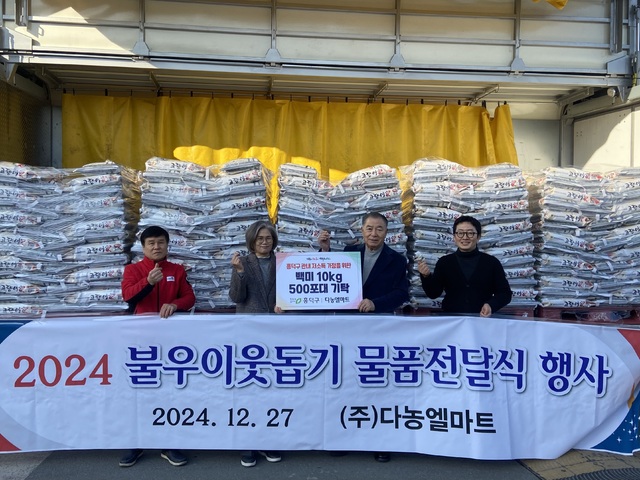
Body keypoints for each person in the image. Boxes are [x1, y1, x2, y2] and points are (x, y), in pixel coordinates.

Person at [318, 212, 409, 463]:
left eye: (379, 229)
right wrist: (325, 251)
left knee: (378, 385)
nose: (374, 234)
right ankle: (343, 437)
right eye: (369, 228)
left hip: (378, 329)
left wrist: (376, 303)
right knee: (346, 384)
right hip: (348, 329)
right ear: (362, 230)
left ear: (386, 232)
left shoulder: (396, 260)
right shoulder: (350, 253)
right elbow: (329, 276)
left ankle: (380, 441)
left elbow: (401, 293)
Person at [118, 225, 196, 468]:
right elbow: (128, 296)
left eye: (160, 242)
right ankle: (136, 442)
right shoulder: (133, 270)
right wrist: (148, 282)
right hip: (142, 342)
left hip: (171, 343)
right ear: (143, 247)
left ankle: (168, 444)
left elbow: (190, 297)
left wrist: (175, 304)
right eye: (151, 243)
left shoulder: (177, 270)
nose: (156, 247)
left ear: (167, 245)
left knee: (169, 392)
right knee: (139, 392)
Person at [229, 219, 283, 467]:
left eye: (268, 238)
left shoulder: (283, 261)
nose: (264, 242)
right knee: (250, 388)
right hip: (249, 332)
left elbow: (296, 291)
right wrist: (239, 273)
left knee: (272, 388)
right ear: (251, 241)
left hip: (276, 332)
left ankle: (268, 440)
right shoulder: (243, 262)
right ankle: (247, 443)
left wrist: (287, 307)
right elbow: (236, 297)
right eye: (260, 238)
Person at [417, 215, 512, 316]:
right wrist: (426, 277)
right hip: (452, 319)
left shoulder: (491, 263)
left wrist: (491, 305)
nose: (465, 237)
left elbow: (505, 293)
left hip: (481, 319)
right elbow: (433, 293)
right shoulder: (445, 262)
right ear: (454, 237)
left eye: (470, 233)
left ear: (478, 237)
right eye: (460, 233)